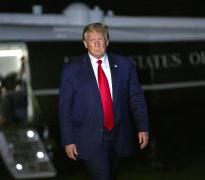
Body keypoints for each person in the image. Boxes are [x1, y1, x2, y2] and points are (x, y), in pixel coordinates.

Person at [59, 23, 149, 180]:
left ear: (107, 41)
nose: (96, 43)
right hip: (89, 138)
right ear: (85, 43)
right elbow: (65, 108)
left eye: (100, 39)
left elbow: (136, 97)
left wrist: (143, 127)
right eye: (92, 40)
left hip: (119, 135)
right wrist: (68, 140)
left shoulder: (124, 64)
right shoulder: (71, 70)